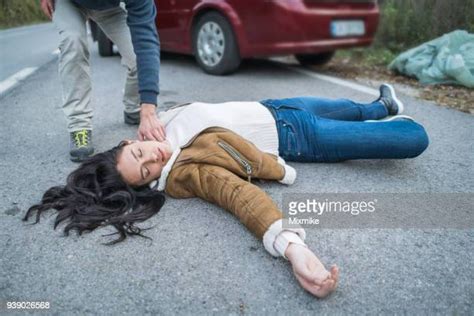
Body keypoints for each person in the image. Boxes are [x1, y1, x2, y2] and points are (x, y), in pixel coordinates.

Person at [24, 85, 429, 298]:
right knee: (412, 138)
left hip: (272, 104)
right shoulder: (183, 172)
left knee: (358, 108)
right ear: (147, 184)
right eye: (146, 172)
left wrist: (151, 112)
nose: (154, 157)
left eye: (142, 153)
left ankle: (378, 106)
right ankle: (385, 121)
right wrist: (293, 247)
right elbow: (235, 193)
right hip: (295, 136)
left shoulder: (155, 127)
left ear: (129, 142)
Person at [40, 0, 166, 162]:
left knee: (136, 58)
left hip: (109, 9)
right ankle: (80, 127)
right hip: (70, 3)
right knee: (73, 43)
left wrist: (148, 109)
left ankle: (133, 106)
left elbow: (146, 40)